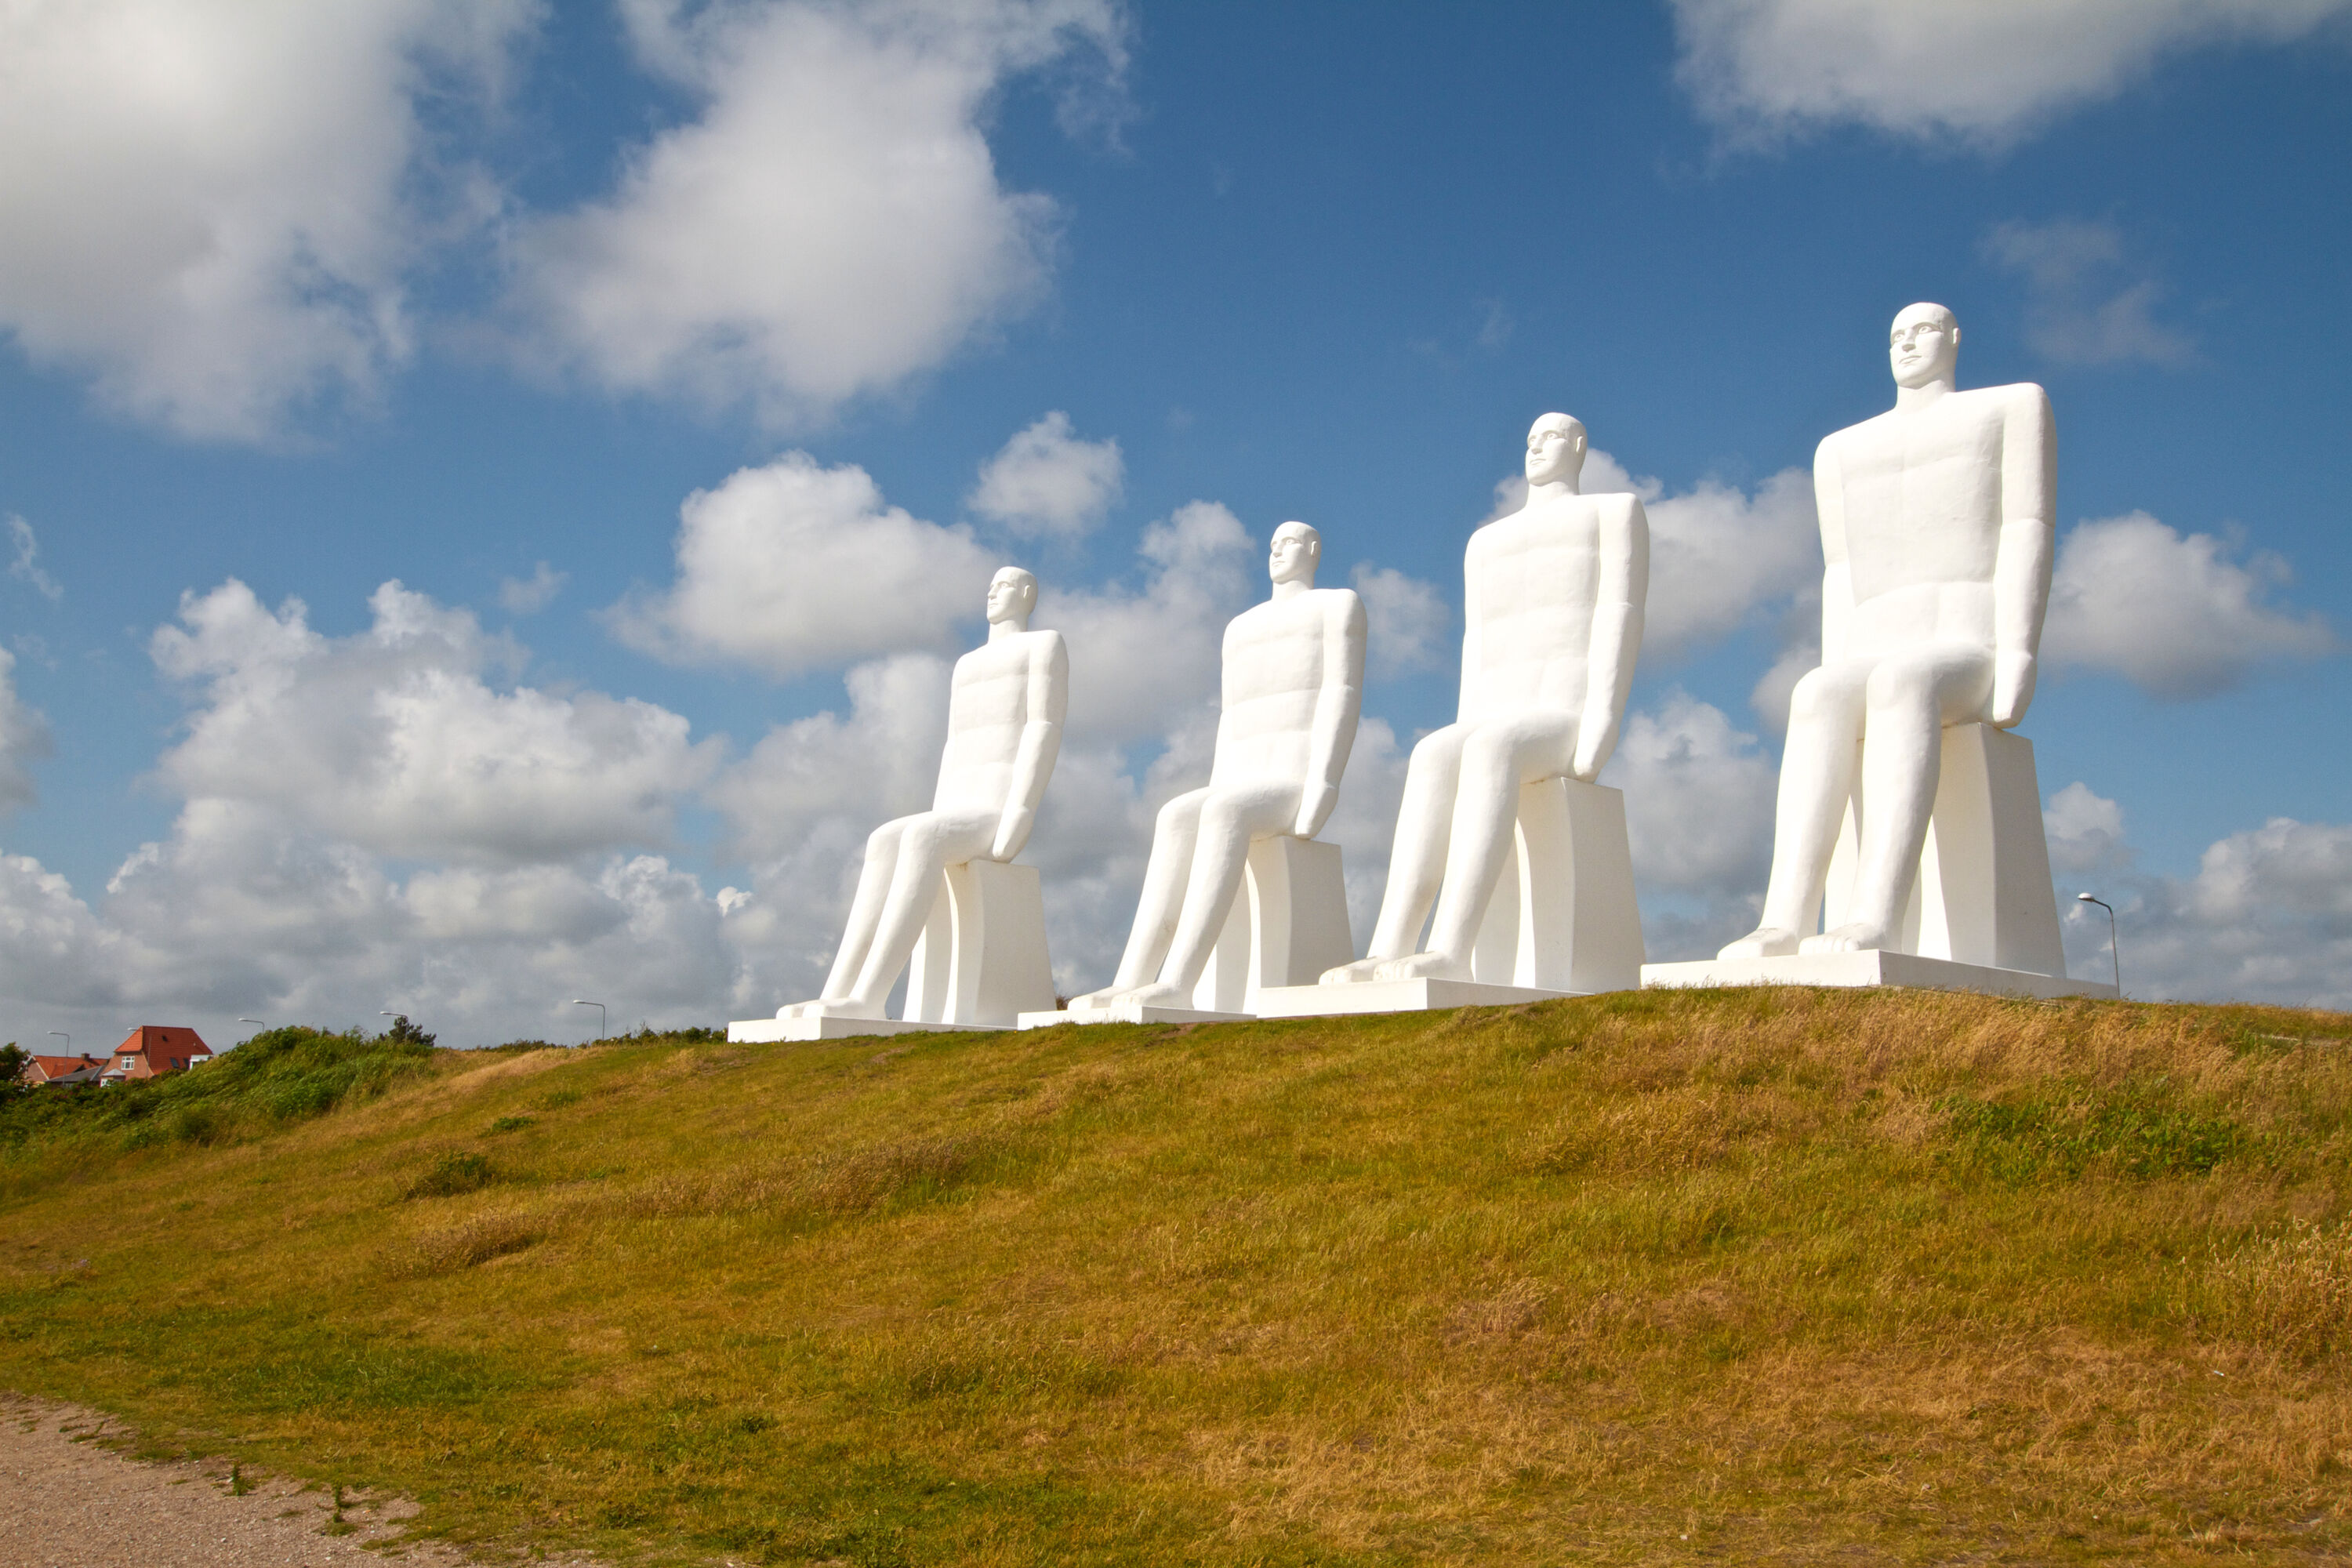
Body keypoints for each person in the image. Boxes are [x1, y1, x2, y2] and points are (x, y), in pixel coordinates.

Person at [1720, 303, 2054, 959]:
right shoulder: (1842, 448)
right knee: (1817, 694)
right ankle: (1783, 918)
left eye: (1923, 330)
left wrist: (2018, 651)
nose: (1906, 343)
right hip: (1874, 640)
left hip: (1964, 639)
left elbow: (2027, 528)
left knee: (1905, 681)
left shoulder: (2011, 406)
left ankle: (1875, 914)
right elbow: (1839, 571)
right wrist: (1837, 667)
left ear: (1955, 338)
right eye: (1896, 334)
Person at [1324, 414, 1647, 985]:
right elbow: (1478, 643)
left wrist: (1603, 718)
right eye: (1529, 438)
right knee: (1432, 754)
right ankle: (1388, 946)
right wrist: (1463, 727)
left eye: (1549, 436)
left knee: (1494, 748)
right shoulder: (1485, 542)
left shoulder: (1613, 512)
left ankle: (1452, 947)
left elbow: (1619, 615)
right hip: (1495, 713)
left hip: (1561, 712)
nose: (1535, 446)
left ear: (1577, 446)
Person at [1071, 522, 1364, 1010]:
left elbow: (1342, 693)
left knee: (1224, 812)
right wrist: (1214, 786)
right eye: (1271, 542)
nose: (1275, 549)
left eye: (1288, 542)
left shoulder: (1337, 606)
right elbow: (1231, 718)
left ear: (1314, 549)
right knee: (1175, 815)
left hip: (1289, 780)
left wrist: (1325, 782)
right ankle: (1130, 978)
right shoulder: (1240, 628)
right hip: (1240, 780)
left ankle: (1180, 981)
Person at [781, 567, 1067, 1020]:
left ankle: (870, 995)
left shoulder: (1043, 645)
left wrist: (1022, 808)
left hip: (995, 810)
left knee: (921, 839)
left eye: (1005, 585)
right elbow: (954, 743)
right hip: (957, 807)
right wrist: (938, 812)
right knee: (883, 840)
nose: (992, 590)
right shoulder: (966, 664)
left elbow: (1043, 728)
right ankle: (837, 990)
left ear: (1029, 593)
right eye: (989, 584)